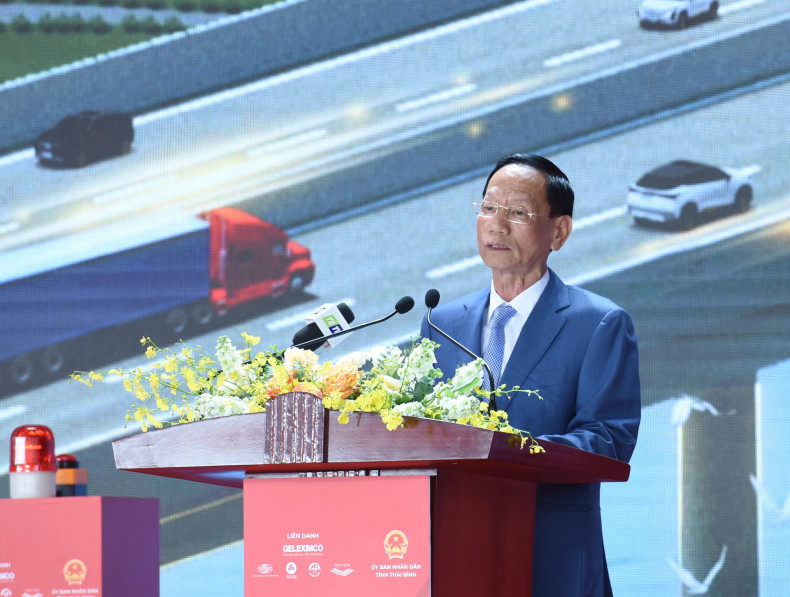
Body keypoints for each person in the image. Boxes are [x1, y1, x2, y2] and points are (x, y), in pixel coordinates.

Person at [420, 153, 641, 596]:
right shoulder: (440, 322)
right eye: (488, 208)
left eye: (518, 213)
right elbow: (417, 426)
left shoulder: (598, 322)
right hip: (453, 551)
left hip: (552, 556)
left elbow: (608, 442)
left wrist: (504, 450)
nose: (497, 225)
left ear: (558, 231)